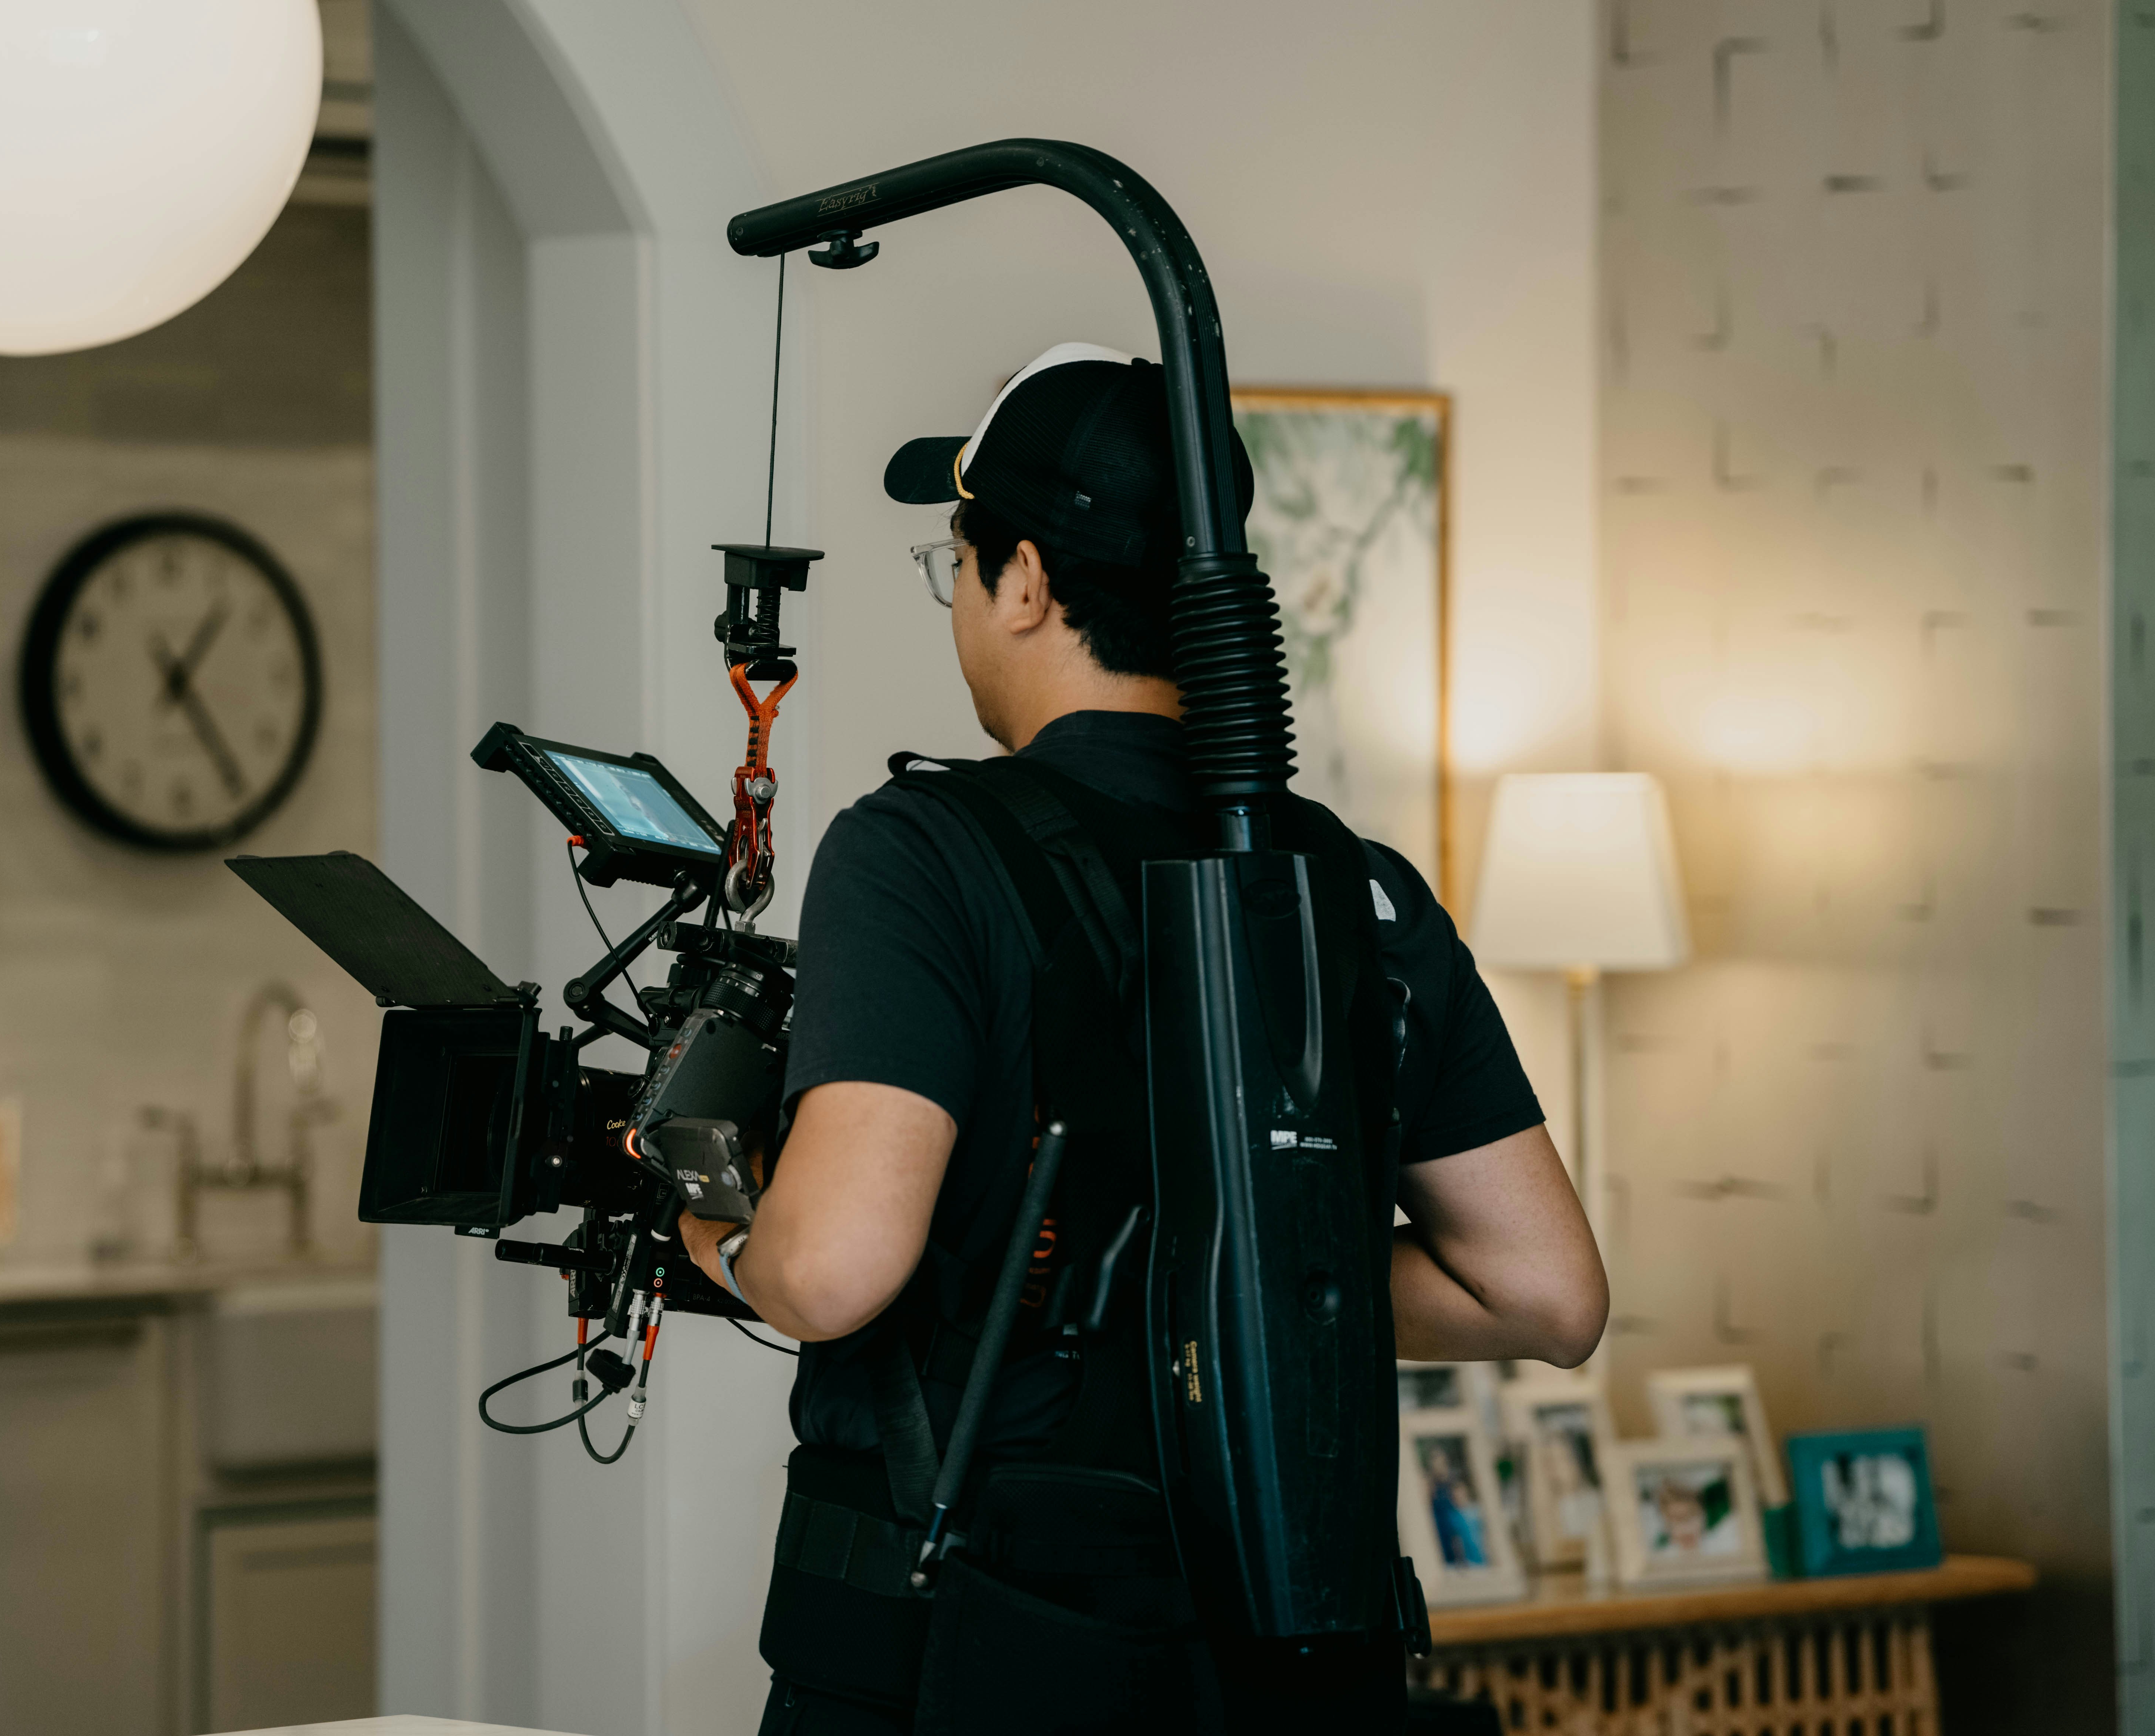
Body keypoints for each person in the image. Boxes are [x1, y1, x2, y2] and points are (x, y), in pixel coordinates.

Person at [676, 341, 1607, 1735]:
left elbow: (830, 1267)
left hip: (967, 1665)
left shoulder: (921, 854)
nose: (964, 605)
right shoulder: (1349, 884)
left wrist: (711, 1228)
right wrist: (1229, 1290)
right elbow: (1545, 1292)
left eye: (961, 564)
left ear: (1031, 580)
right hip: (1288, 1671)